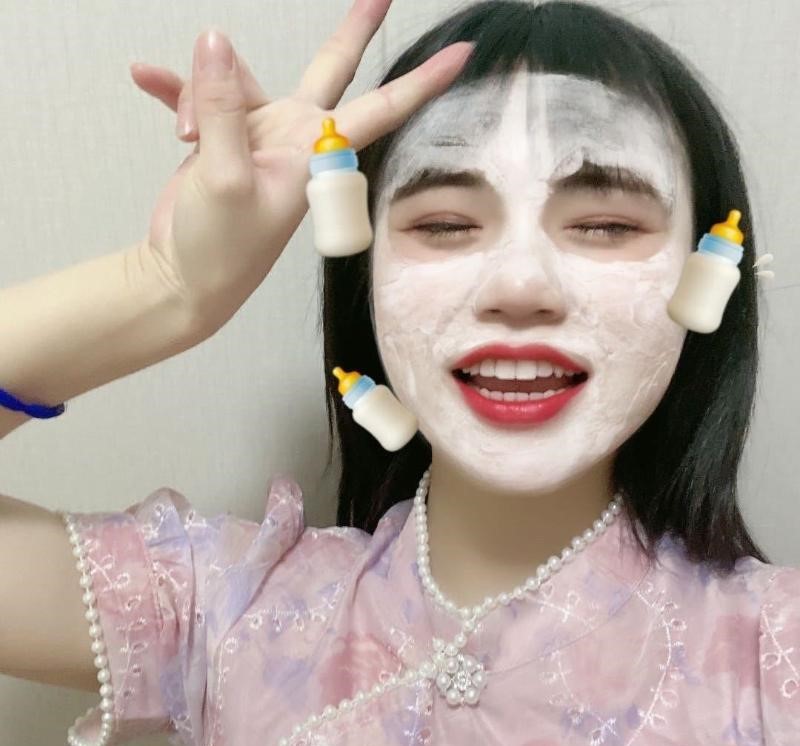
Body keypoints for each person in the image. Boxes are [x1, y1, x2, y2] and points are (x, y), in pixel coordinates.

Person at [0, 1, 797, 744]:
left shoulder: (773, 656)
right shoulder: (225, 607)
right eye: (444, 224)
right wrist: (167, 288)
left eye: (605, 226)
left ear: (707, 274)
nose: (521, 284)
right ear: (368, 272)